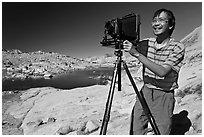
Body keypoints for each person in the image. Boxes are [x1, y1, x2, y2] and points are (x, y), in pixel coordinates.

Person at [123, 8, 185, 135]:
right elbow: (130, 43)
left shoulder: (178, 47)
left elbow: (162, 72)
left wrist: (136, 54)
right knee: (137, 127)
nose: (156, 23)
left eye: (161, 20)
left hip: (163, 95)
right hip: (145, 91)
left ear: (171, 25)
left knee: (161, 131)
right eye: (154, 20)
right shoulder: (147, 43)